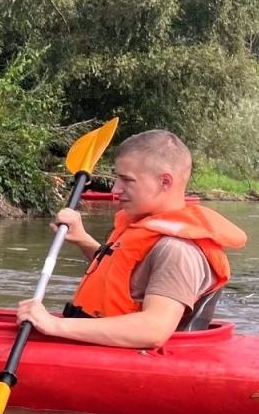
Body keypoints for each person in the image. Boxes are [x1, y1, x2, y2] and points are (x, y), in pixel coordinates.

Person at [16, 129, 247, 349]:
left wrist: (55, 325)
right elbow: (123, 275)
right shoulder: (142, 224)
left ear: (165, 182)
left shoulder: (177, 249)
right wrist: (83, 239)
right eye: (118, 178)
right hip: (100, 344)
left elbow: (154, 329)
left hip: (143, 361)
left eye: (127, 180)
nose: (115, 189)